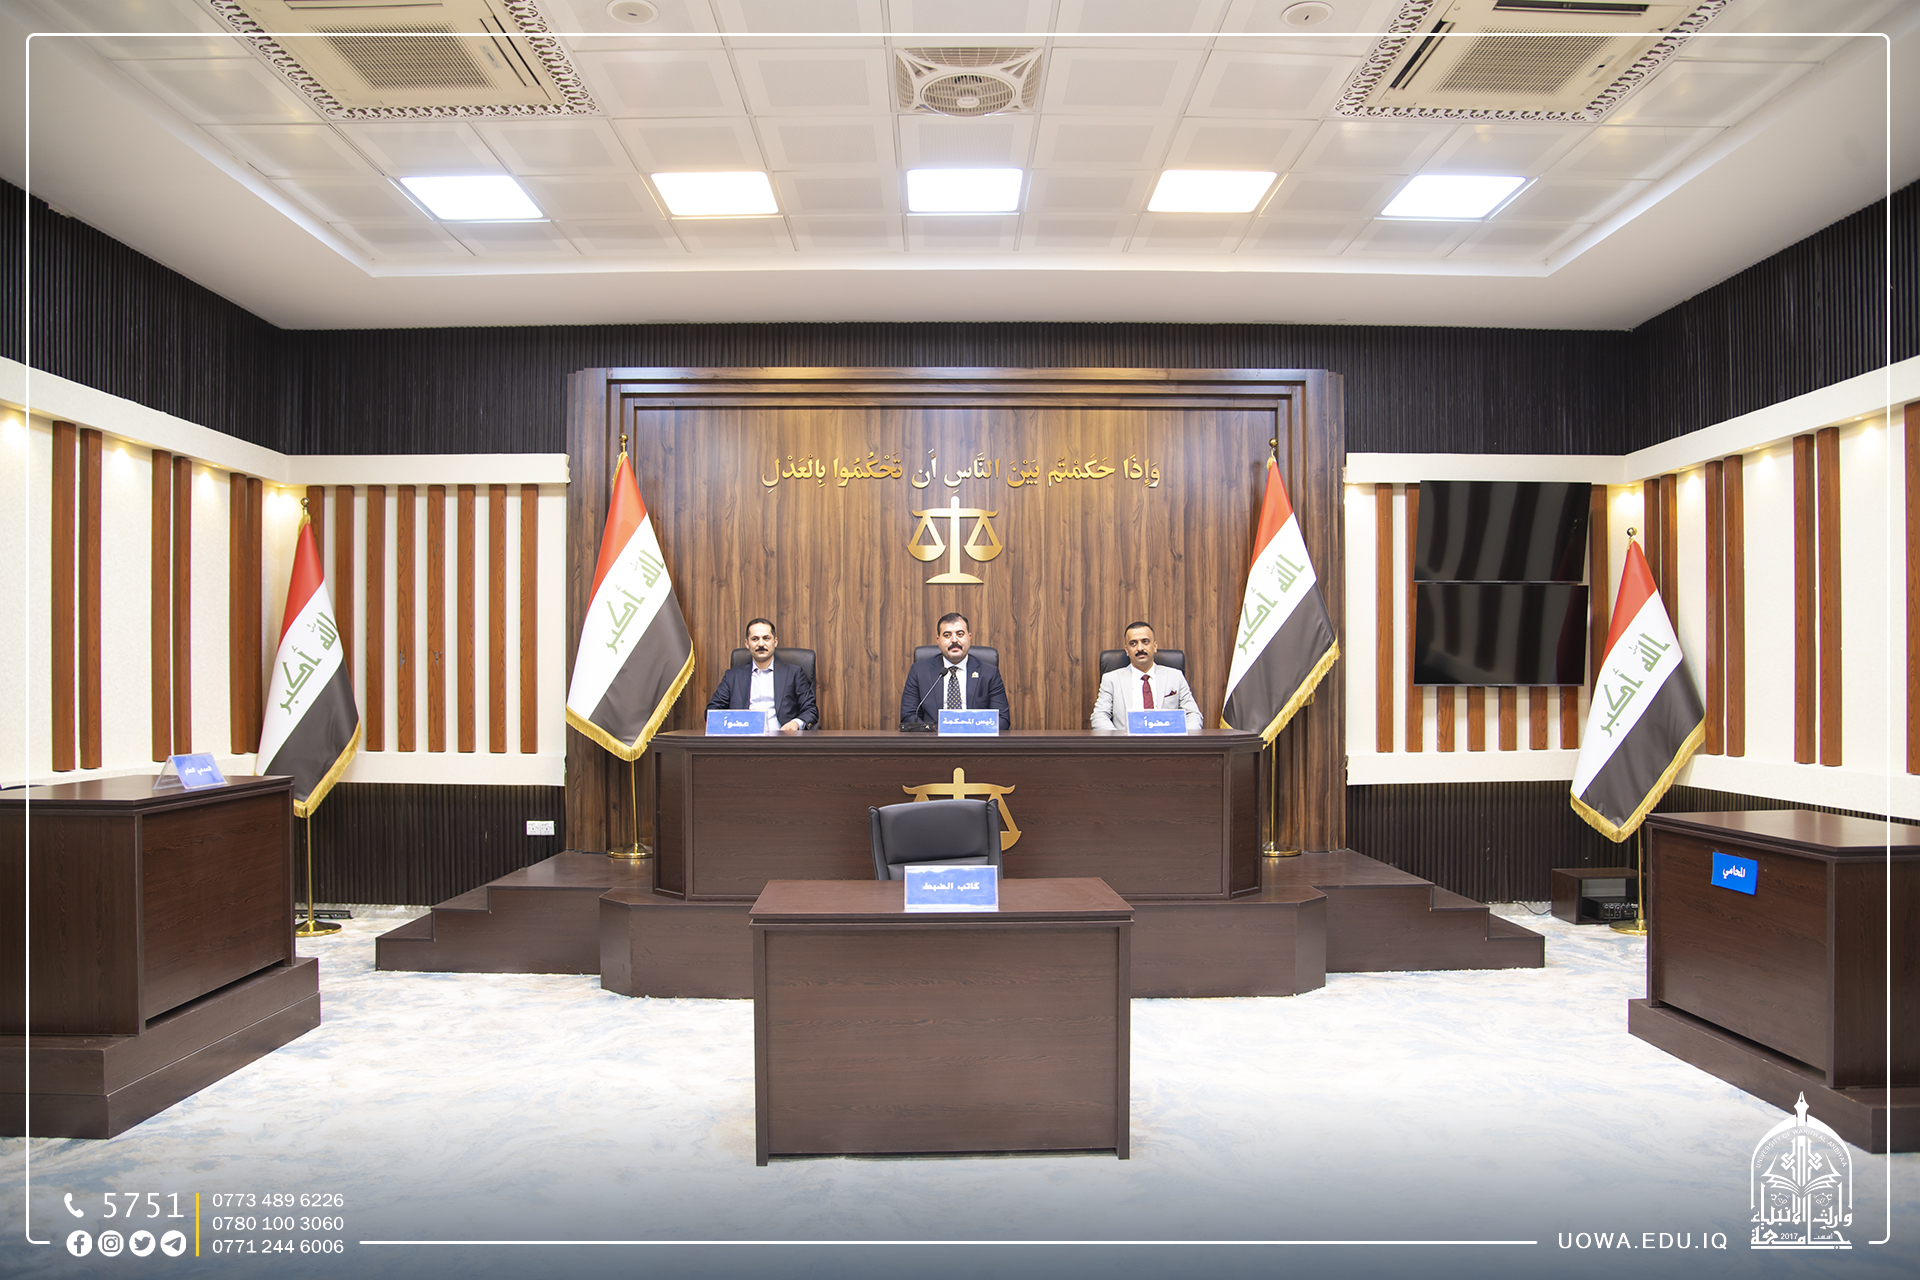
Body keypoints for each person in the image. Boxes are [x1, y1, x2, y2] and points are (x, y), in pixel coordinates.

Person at [899, 611, 1010, 730]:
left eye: (960, 634)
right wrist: (936, 732)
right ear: (938, 640)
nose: (954, 640)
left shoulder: (989, 673)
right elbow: (909, 715)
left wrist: (969, 731)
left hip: (976, 739)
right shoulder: (919, 671)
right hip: (934, 739)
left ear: (969, 637)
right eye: (947, 635)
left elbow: (1002, 719)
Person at [705, 617, 816, 731]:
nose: (761, 644)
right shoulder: (732, 677)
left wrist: (795, 723)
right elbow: (712, 711)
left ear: (775, 642)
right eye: (755, 639)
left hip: (781, 737)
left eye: (766, 638)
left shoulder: (793, 673)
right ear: (747, 643)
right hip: (744, 737)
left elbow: (810, 710)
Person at [1091, 621, 1202, 732]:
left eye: (1145, 642)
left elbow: (1193, 714)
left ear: (1154, 646)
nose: (1140, 648)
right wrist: (1120, 739)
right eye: (1133, 643)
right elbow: (1099, 716)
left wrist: (1182, 738)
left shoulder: (1175, 676)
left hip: (1168, 740)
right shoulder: (1111, 679)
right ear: (1127, 650)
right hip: (1127, 741)